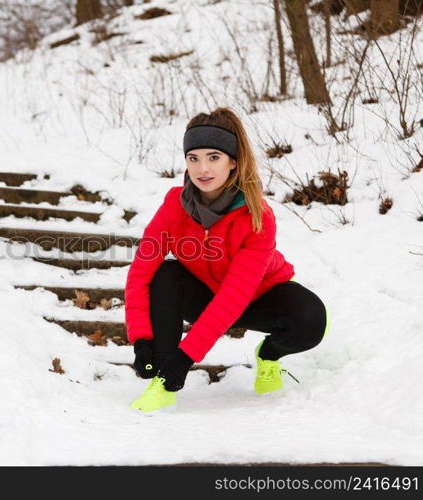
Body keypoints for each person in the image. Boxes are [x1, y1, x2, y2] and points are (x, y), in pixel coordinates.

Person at [124, 107, 330, 414]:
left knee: (311, 319)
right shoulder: (174, 205)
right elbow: (140, 273)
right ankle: (163, 381)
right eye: (193, 158)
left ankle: (269, 356)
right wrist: (141, 340)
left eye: (213, 157)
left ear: (233, 161)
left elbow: (234, 297)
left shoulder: (257, 216)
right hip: (204, 293)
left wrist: (186, 357)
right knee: (164, 274)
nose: (202, 169)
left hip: (257, 297)